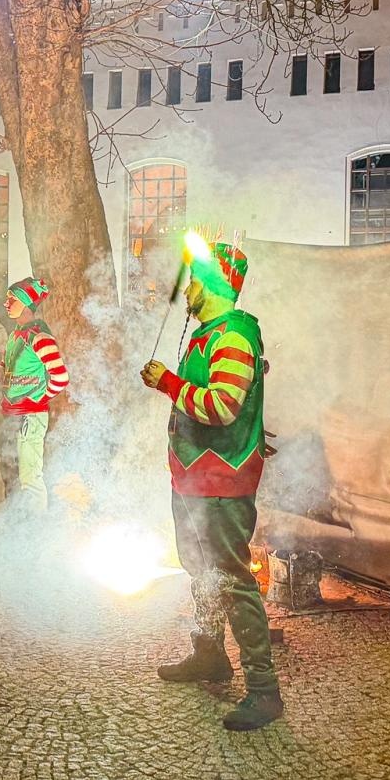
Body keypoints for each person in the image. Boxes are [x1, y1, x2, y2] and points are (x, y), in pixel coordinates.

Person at [140, 241, 283, 732]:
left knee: (233, 580)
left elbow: (221, 408)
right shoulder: (208, 334)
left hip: (221, 484)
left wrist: (168, 384)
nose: (189, 288)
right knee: (201, 572)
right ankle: (209, 655)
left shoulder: (234, 338)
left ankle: (264, 690)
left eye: (197, 279)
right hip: (194, 481)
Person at [0, 276, 69, 511]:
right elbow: (4, 377)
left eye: (12, 299)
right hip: (9, 417)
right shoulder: (14, 337)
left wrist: (36, 400)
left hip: (29, 419)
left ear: (26, 303)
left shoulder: (41, 338)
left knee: (30, 479)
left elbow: (60, 378)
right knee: (9, 477)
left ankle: (34, 531)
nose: (6, 303)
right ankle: (14, 528)